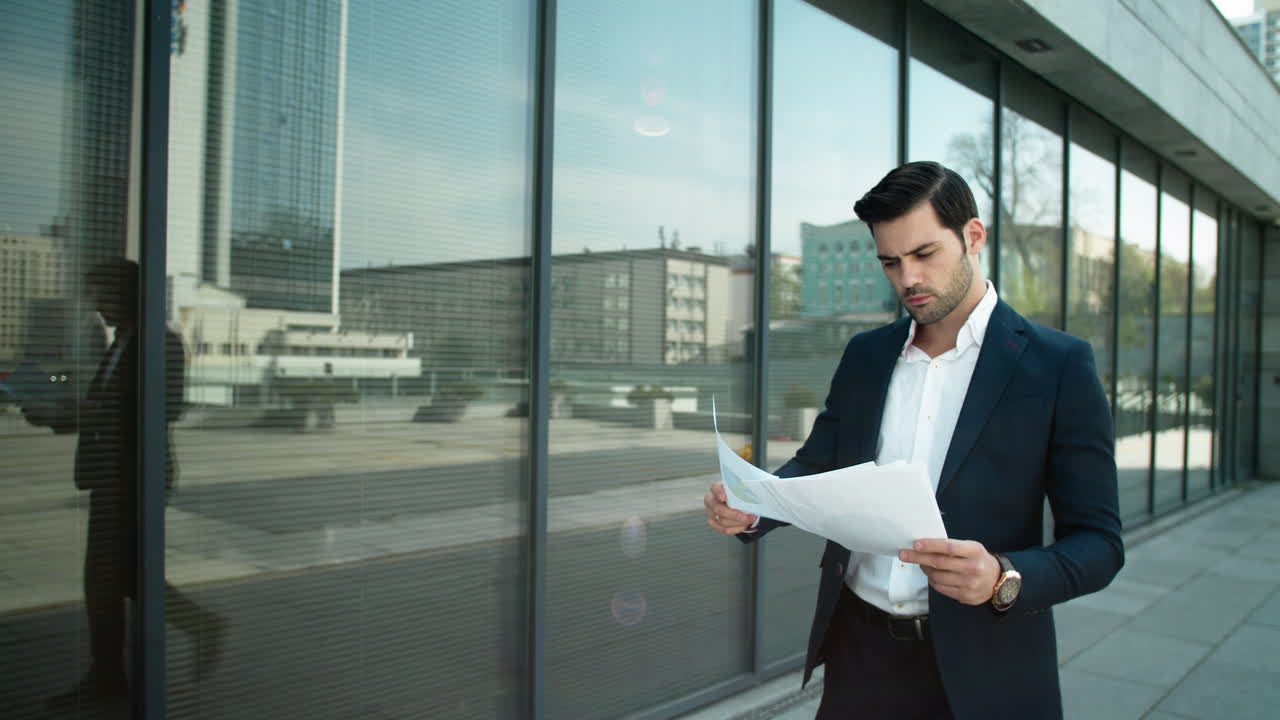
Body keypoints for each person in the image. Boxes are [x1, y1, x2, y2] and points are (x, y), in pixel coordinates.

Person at [704, 162, 1123, 719]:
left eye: (925, 254)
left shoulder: (1059, 366)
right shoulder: (867, 355)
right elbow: (817, 465)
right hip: (859, 660)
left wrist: (1004, 577)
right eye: (890, 262)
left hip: (986, 674)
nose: (908, 279)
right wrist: (754, 504)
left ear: (973, 236)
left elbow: (1099, 544)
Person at [22, 258, 226, 710]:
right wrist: (56, 412)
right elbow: (103, 403)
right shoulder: (123, 342)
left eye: (103, 294)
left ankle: (113, 675)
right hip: (113, 474)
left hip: (135, 476)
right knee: (119, 578)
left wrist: (88, 411)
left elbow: (164, 407)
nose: (97, 304)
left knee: (107, 578)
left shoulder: (161, 342)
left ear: (129, 293)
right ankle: (115, 672)